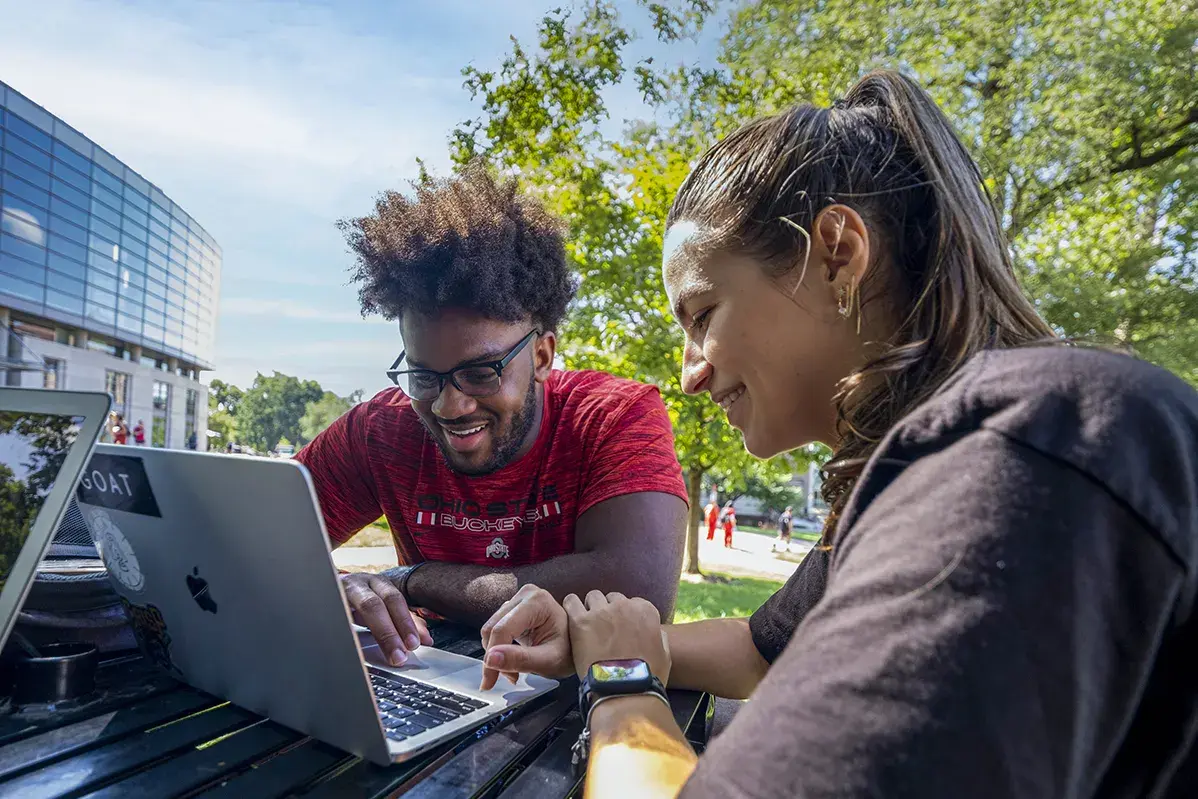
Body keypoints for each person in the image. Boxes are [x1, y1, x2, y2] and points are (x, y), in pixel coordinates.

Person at [478, 70, 1198, 797]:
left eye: (702, 314)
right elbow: (761, 650)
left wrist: (621, 682)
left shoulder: (1024, 452)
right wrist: (596, 640)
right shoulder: (933, 463)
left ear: (837, 252)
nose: (689, 374)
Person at [296, 163, 689, 668]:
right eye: (424, 376)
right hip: (426, 676)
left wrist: (410, 579)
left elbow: (639, 593)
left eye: (481, 373)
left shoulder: (613, 415)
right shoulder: (380, 430)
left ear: (543, 356)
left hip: (583, 697)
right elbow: (255, 541)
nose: (448, 406)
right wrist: (343, 588)